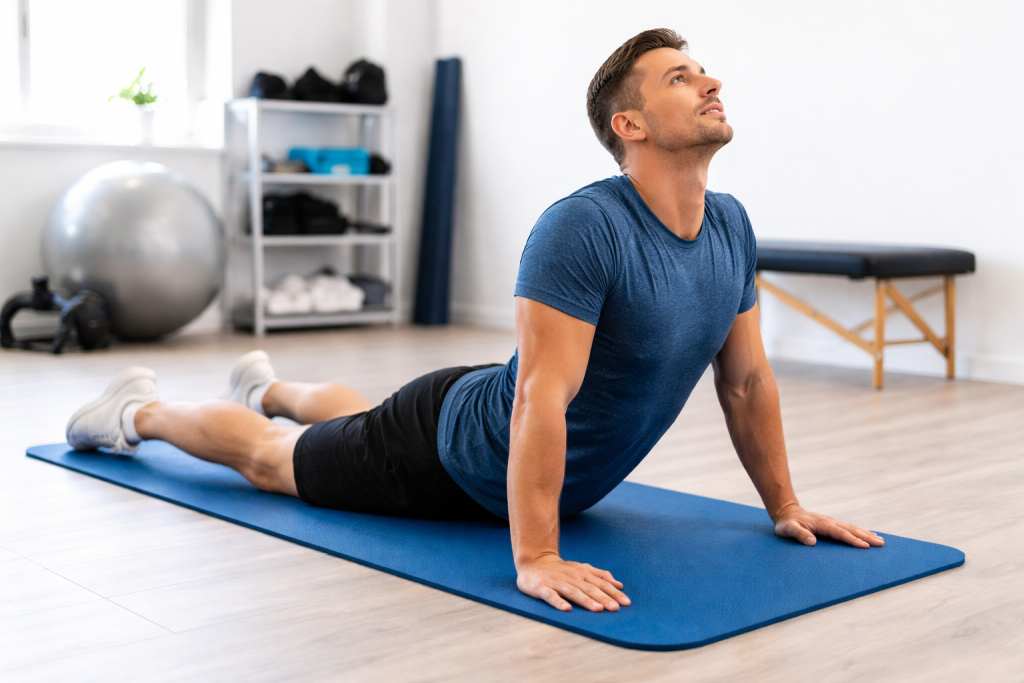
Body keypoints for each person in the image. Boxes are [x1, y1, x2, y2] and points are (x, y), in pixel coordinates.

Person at [66, 28, 884, 616]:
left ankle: (271, 384)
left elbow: (744, 382)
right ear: (627, 126)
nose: (709, 83)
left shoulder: (732, 225)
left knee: (358, 419)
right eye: (679, 77)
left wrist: (785, 503)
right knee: (274, 460)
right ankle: (133, 412)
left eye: (705, 71)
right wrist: (534, 557)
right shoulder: (583, 227)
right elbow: (540, 402)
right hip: (451, 456)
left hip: (484, 414)